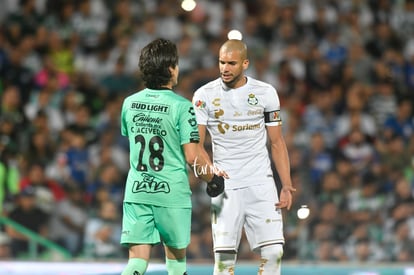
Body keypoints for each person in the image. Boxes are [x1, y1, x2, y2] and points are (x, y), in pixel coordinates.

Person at [119, 38, 225, 275]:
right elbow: (191, 156)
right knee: (176, 265)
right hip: (171, 193)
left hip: (137, 191)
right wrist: (213, 180)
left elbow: (132, 137)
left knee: (136, 262)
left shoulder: (129, 104)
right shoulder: (182, 106)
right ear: (170, 69)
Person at [192, 39, 296, 275]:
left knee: (273, 254)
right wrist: (210, 173)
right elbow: (196, 145)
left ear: (245, 63)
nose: (224, 68)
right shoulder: (203, 96)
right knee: (224, 262)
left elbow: (277, 142)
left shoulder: (266, 93)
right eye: (221, 62)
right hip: (226, 185)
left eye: (231, 63)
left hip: (261, 182)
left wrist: (286, 184)